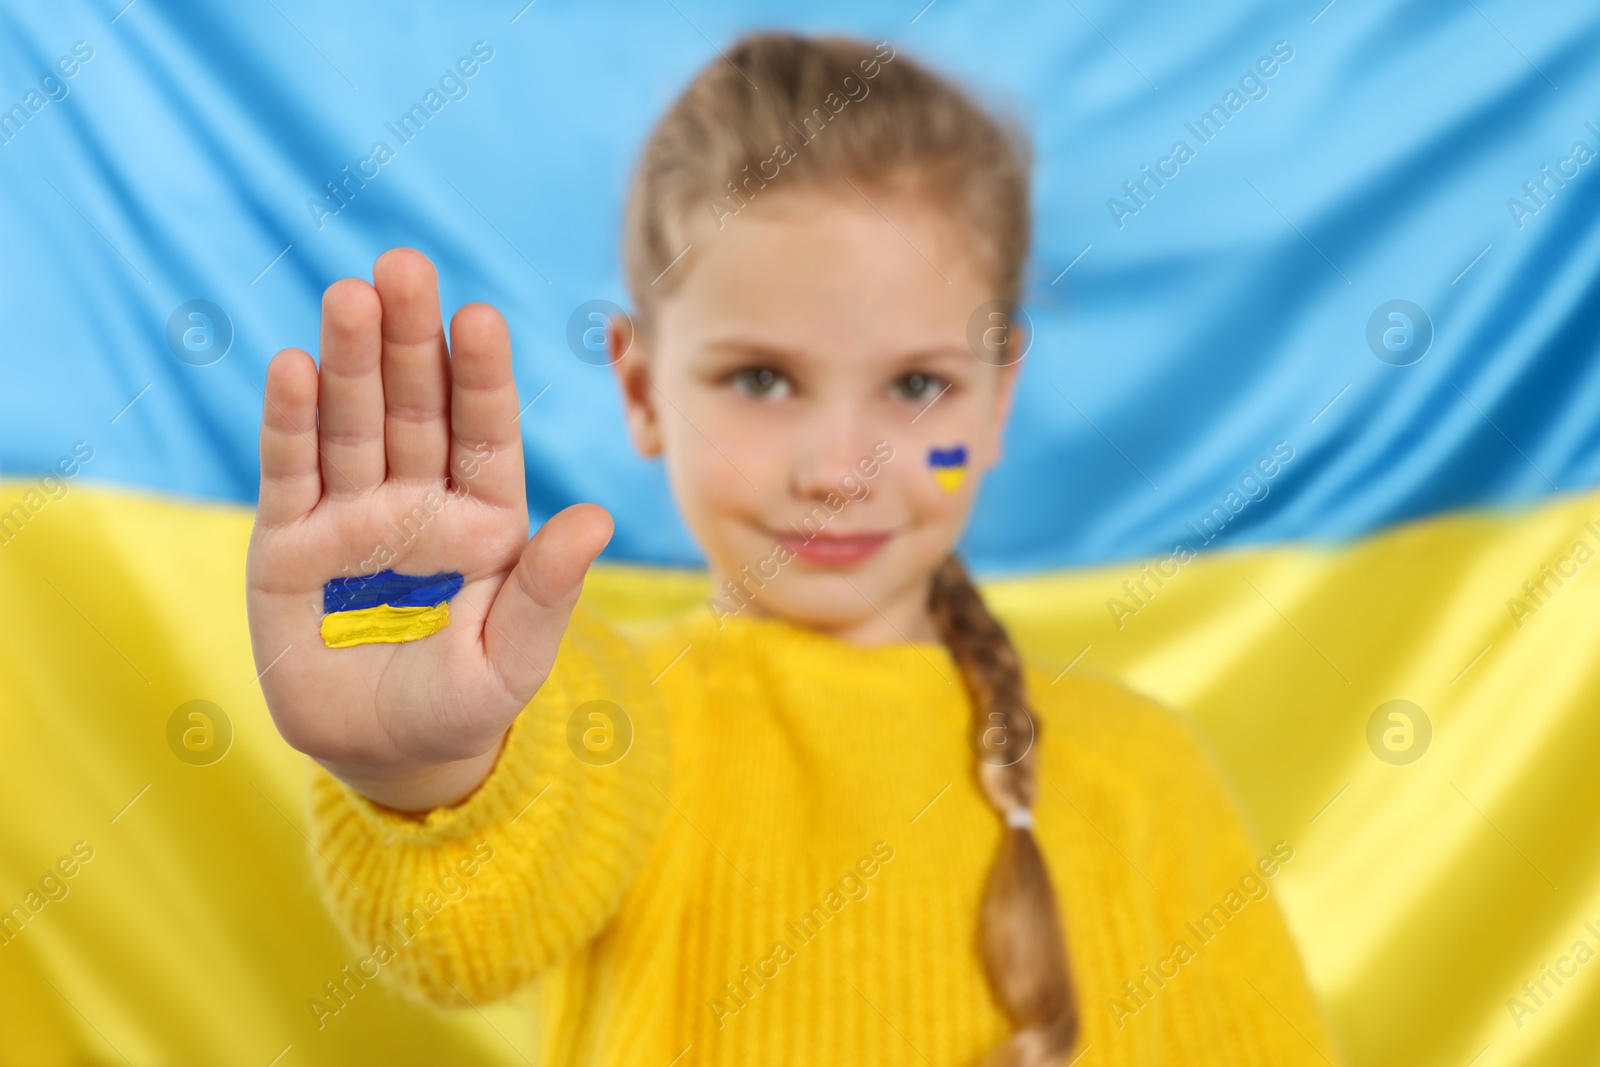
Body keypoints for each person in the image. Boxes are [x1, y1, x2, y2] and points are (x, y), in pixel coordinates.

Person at [246, 29, 1339, 1067]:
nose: (839, 467)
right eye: (761, 379)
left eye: (918, 386)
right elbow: (469, 923)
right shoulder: (621, 714)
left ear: (998, 396)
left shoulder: (1146, 774)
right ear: (639, 388)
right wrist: (424, 768)